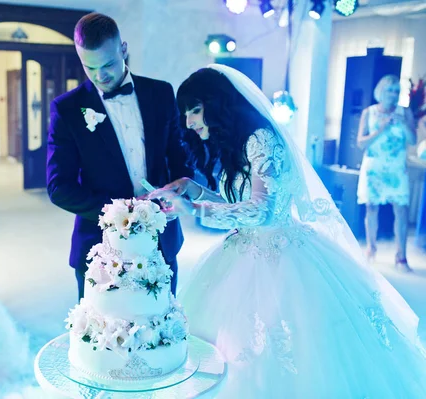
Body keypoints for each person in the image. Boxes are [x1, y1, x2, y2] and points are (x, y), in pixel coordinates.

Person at [149, 65, 426, 398]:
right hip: (243, 250)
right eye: (186, 113)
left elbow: (262, 211)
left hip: (283, 257)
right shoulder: (238, 141)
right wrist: (193, 190)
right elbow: (236, 203)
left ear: (218, 103)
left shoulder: (261, 138)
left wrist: (195, 211)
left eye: (195, 110)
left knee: (290, 353)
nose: (190, 121)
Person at [46, 13, 193, 300]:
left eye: (109, 64)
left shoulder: (161, 93)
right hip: (101, 246)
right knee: (103, 339)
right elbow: (58, 187)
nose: (101, 75)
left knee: (161, 329)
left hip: (160, 240)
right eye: (90, 67)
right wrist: (122, 212)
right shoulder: (67, 110)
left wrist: (182, 183)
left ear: (123, 49)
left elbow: (179, 153)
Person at [356, 74, 417, 271]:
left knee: (401, 209)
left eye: (397, 90)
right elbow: (360, 143)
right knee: (371, 208)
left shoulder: (405, 113)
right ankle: (370, 249)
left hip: (397, 168)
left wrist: (404, 124)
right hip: (374, 168)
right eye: (390, 90)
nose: (393, 94)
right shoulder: (369, 112)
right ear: (381, 91)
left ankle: (401, 256)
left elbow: (413, 140)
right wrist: (381, 130)